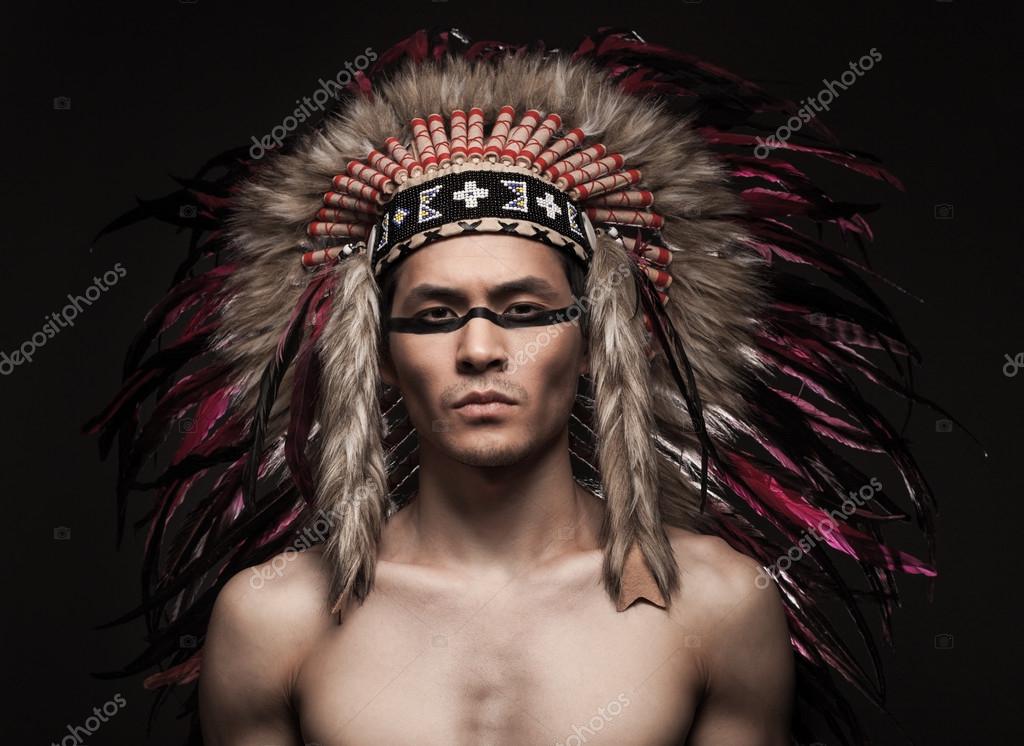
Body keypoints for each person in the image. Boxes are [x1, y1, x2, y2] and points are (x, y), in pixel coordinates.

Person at [86, 27, 957, 745]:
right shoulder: (276, 619)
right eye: (432, 316)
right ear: (379, 357)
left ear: (593, 341)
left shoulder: (718, 606)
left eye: (525, 310)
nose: (478, 347)